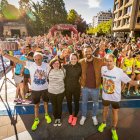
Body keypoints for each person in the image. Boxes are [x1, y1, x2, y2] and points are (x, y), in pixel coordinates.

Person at [0, 48, 51, 131]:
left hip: (45, 88)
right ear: (33, 59)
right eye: (36, 59)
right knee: (36, 105)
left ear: (42, 59)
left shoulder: (46, 65)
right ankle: (36, 119)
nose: (37, 61)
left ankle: (46, 115)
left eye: (39, 59)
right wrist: (5, 55)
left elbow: (55, 66)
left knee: (46, 103)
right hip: (35, 90)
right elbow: (17, 60)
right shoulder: (30, 64)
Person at [98, 54, 140, 140]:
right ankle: (104, 123)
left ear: (114, 61)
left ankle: (114, 128)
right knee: (105, 110)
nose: (109, 63)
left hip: (115, 97)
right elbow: (102, 78)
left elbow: (132, 82)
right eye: (107, 61)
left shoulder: (119, 71)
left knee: (115, 112)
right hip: (105, 95)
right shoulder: (103, 69)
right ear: (105, 61)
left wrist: (138, 82)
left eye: (110, 61)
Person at [79, 45, 104, 126]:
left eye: (89, 51)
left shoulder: (99, 60)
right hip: (85, 87)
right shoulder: (81, 62)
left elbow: (108, 65)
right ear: (83, 52)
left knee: (95, 103)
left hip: (95, 87)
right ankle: (83, 116)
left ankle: (94, 116)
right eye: (86, 51)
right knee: (84, 103)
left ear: (92, 51)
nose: (88, 53)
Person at [64, 53, 82, 126]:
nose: (73, 60)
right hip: (67, 88)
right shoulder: (66, 66)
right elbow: (56, 63)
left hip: (76, 88)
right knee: (69, 102)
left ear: (77, 59)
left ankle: (75, 117)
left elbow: (83, 77)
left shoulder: (80, 67)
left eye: (75, 58)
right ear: (69, 59)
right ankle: (71, 114)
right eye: (72, 58)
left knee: (76, 102)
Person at [47, 58, 65, 127]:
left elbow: (64, 78)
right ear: (52, 64)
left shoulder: (63, 70)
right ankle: (55, 118)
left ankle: (59, 118)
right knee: (54, 105)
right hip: (51, 92)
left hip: (60, 91)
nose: (56, 65)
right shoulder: (49, 70)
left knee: (59, 105)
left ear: (60, 64)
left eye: (58, 63)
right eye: (54, 63)